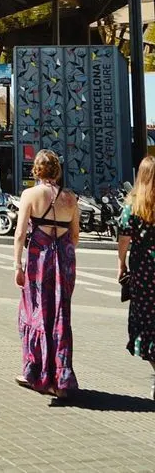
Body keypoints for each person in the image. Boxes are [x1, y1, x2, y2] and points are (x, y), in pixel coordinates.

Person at [12, 149, 79, 398]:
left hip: (39, 258)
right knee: (60, 314)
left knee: (37, 312)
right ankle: (61, 377)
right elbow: (75, 235)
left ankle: (36, 372)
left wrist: (17, 265)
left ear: (36, 170)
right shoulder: (71, 198)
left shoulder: (30, 194)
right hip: (64, 258)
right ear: (58, 171)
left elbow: (20, 233)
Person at [117, 155, 155, 400]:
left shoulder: (133, 205)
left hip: (144, 273)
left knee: (146, 322)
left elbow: (124, 239)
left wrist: (121, 264)